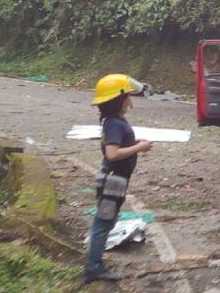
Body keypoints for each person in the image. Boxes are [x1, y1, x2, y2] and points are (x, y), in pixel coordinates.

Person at [84, 74, 153, 283]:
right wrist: (139, 147)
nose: (131, 98)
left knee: (107, 221)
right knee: (103, 223)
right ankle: (94, 269)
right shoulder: (114, 123)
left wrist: (134, 145)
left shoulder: (112, 121)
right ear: (120, 99)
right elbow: (112, 154)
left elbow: (118, 148)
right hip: (113, 182)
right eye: (129, 94)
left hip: (114, 180)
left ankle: (95, 264)